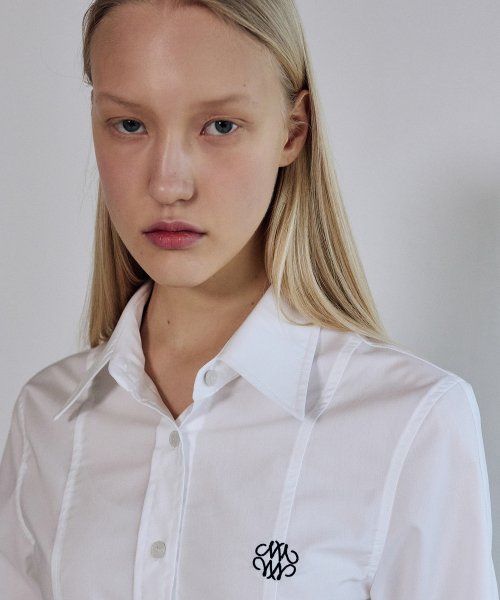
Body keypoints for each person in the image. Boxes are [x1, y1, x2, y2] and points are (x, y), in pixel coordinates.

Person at [0, 0, 498, 598]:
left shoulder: (412, 423)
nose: (168, 183)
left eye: (220, 126)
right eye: (129, 125)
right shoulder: (48, 419)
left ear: (293, 131)